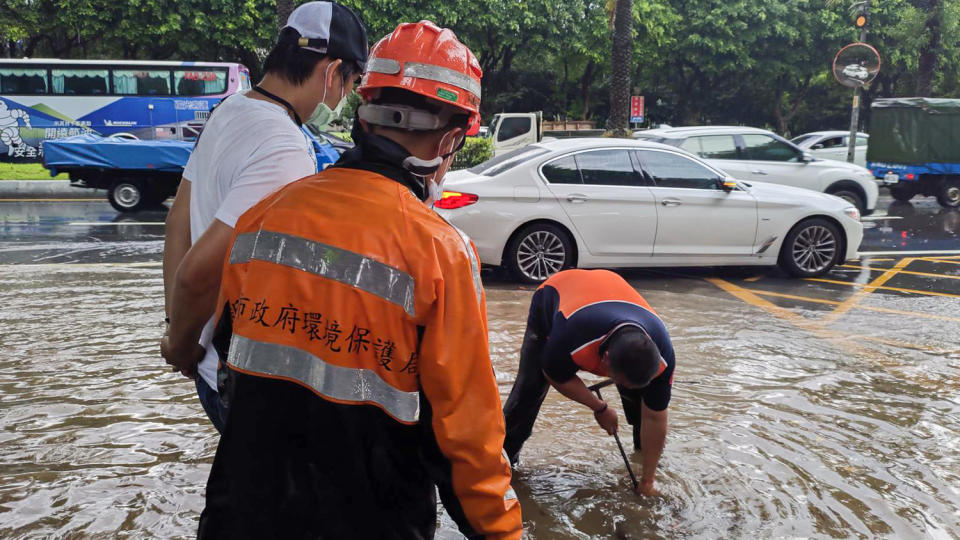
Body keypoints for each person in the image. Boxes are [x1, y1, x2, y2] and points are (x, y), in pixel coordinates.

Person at [195, 21, 522, 539]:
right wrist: (503, 532)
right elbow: (466, 440)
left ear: (363, 116)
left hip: (241, 516)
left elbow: (229, 366)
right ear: (451, 138)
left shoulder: (263, 217)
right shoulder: (440, 252)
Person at [160, 1, 368, 433]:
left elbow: (178, 222)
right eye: (348, 85)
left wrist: (181, 332)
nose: (342, 98)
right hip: (237, 376)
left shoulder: (230, 110)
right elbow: (200, 271)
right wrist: (179, 346)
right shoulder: (284, 145)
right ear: (332, 72)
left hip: (207, 365)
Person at [502, 269, 675, 496]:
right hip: (557, 292)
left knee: (642, 405)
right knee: (529, 390)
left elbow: (655, 416)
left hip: (611, 290)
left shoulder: (664, 358)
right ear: (604, 360)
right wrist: (599, 407)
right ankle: (504, 464)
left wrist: (648, 481)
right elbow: (555, 375)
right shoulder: (571, 336)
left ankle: (641, 463)